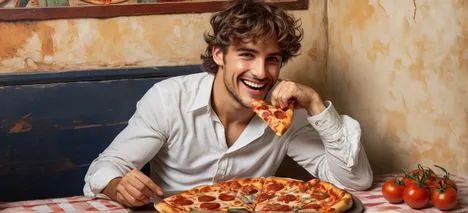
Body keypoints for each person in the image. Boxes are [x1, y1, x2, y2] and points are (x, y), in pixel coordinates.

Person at [84, 0, 373, 207]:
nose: (261, 72)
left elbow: (354, 181)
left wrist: (314, 103)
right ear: (219, 54)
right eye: (247, 55)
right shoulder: (169, 99)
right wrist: (117, 186)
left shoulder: (285, 115)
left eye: (272, 59)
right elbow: (105, 168)